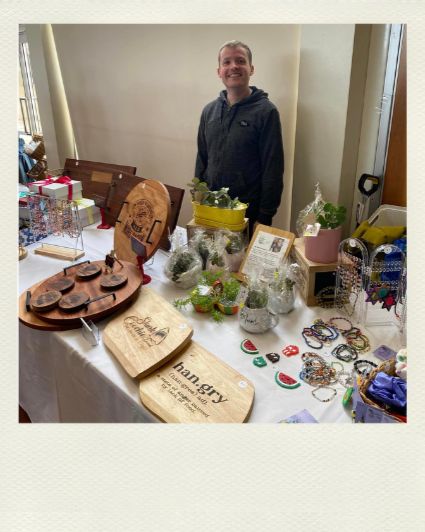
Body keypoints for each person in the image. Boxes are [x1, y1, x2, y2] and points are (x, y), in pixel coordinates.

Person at [194, 40, 284, 237]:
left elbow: (273, 168)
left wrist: (265, 216)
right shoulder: (209, 111)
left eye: (240, 61)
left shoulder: (266, 112)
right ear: (219, 71)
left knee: (238, 266)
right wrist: (199, 197)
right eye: (227, 62)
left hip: (247, 214)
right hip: (211, 209)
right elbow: (202, 158)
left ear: (251, 69)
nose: (233, 66)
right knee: (210, 264)